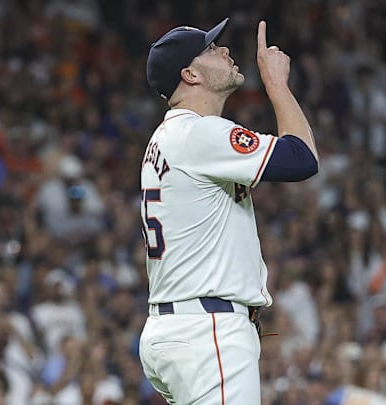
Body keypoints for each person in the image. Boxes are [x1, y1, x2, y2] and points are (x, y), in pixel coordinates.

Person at [137, 17, 319, 405]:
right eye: (209, 49)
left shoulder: (166, 138)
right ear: (190, 74)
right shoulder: (198, 133)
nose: (224, 50)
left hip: (176, 327)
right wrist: (276, 85)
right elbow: (302, 159)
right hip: (207, 331)